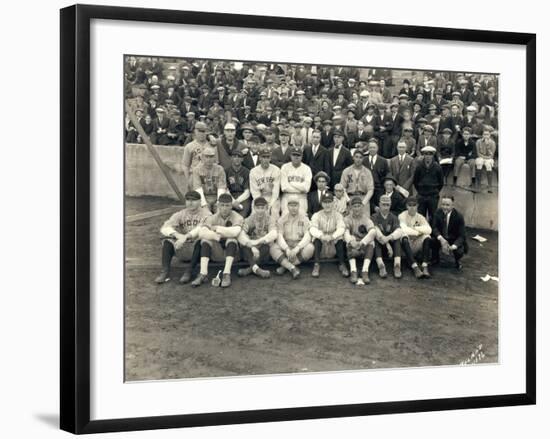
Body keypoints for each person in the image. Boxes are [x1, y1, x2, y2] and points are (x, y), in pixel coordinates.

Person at [154, 191, 211, 284]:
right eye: (188, 200)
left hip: (198, 250)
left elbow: (201, 228)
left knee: (203, 240)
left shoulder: (206, 213)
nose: (190, 202)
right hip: (183, 247)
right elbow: (164, 228)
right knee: (167, 241)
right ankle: (165, 271)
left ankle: (189, 271)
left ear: (200, 201)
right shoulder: (181, 214)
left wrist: (185, 237)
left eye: (194, 200)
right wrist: (178, 235)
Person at [192, 193, 244, 288]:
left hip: (234, 255)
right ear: (218, 205)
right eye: (222, 205)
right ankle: (203, 273)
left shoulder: (237, 217)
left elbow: (235, 232)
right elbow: (202, 232)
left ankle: (226, 273)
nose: (225, 208)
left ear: (231, 206)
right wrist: (217, 236)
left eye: (227, 205)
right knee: (205, 239)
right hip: (217, 253)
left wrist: (216, 228)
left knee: (231, 239)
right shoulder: (212, 217)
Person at [270, 195, 315, 279]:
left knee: (310, 247)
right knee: (273, 248)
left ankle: (286, 266)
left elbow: (307, 236)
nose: (293, 208)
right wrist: (286, 248)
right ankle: (292, 268)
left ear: (299, 206)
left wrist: (297, 248)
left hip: (299, 246)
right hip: (287, 245)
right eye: (291, 205)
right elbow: (279, 236)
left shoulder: (304, 219)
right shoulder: (282, 219)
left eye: (295, 205)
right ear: (287, 206)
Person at [309, 193, 348, 278]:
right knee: (316, 237)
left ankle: (342, 263)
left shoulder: (338, 215)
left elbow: (341, 228)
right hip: (322, 244)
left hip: (332, 243)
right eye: (325, 202)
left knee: (340, 237)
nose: (327, 204)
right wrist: (321, 236)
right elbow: (312, 229)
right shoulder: (316, 215)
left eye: (329, 202)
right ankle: (316, 264)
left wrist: (332, 236)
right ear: (322, 203)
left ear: (333, 203)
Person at [237, 197, 278, 279]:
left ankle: (250, 269)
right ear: (254, 208)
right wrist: (252, 246)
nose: (260, 210)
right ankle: (258, 270)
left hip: (262, 249)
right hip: (251, 251)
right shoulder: (250, 219)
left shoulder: (270, 219)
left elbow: (274, 233)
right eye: (258, 208)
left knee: (267, 246)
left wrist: (259, 241)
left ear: (266, 208)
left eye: (262, 208)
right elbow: (241, 234)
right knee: (243, 244)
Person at [344, 196, 378, 285]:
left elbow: (373, 231)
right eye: (354, 206)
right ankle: (353, 271)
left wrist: (362, 243)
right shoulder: (347, 218)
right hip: (353, 245)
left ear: (362, 207)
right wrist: (352, 241)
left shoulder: (366, 218)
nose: (357, 208)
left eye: (358, 206)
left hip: (363, 245)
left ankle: (365, 271)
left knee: (372, 240)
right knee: (348, 239)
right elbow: (346, 232)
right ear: (351, 208)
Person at [431, 195, 468, 271]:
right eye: (443, 204)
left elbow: (462, 235)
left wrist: (453, 246)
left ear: (452, 205)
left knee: (459, 250)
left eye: (447, 205)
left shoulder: (459, 216)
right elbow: (434, 228)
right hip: (442, 237)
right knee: (430, 240)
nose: (445, 207)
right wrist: (441, 239)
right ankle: (435, 258)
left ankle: (458, 261)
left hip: (453, 238)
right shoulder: (438, 212)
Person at [398, 196, 432, 279]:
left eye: (414, 205)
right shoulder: (402, 215)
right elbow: (404, 229)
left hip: (416, 243)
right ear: (406, 206)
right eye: (410, 205)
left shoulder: (420, 217)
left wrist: (415, 229)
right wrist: (419, 232)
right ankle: (415, 266)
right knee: (403, 235)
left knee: (427, 237)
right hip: (406, 246)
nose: (412, 207)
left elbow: (429, 230)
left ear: (417, 206)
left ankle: (424, 266)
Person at [372, 194, 403, 279]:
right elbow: (376, 231)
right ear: (379, 205)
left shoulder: (393, 217)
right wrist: (386, 243)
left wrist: (388, 239)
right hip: (380, 244)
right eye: (383, 205)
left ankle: (397, 265)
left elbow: (399, 231)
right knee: (375, 239)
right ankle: (381, 265)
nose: (385, 208)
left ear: (390, 205)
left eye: (387, 205)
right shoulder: (374, 216)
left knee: (396, 240)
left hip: (391, 247)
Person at [190, 146, 227, 212]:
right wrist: (204, 204)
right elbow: (198, 188)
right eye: (206, 157)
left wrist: (219, 203)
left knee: (221, 212)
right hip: (204, 196)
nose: (209, 159)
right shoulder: (197, 170)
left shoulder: (220, 169)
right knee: (204, 214)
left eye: (211, 157)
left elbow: (221, 187)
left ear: (214, 158)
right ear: (202, 158)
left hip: (216, 196)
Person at [413, 146, 444, 224]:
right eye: (426, 154)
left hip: (433, 195)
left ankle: (433, 232)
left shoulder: (437, 167)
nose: (428, 157)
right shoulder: (419, 167)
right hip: (422, 195)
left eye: (430, 155)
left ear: (433, 155)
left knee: (433, 215)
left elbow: (441, 182)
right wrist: (421, 190)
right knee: (420, 215)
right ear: (423, 155)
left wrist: (435, 191)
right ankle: (422, 232)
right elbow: (415, 181)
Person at [182, 121, 216, 191]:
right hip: (195, 176)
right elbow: (185, 165)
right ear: (195, 131)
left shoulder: (212, 145)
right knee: (194, 199)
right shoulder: (189, 146)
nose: (202, 133)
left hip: (209, 176)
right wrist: (188, 179)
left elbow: (216, 163)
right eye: (199, 131)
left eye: (204, 131)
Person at [249, 146, 281, 215]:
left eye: (267, 157)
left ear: (270, 158)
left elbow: (276, 192)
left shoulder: (276, 170)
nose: (266, 159)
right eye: (263, 157)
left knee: (274, 213)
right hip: (259, 197)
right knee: (255, 214)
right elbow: (255, 192)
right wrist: (262, 204)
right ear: (260, 158)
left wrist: (270, 205)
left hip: (273, 198)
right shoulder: (253, 171)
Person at [280, 147, 312, 215]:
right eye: (294, 155)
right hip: (287, 196)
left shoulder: (307, 169)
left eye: (298, 155)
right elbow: (284, 187)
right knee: (285, 218)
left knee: (302, 218)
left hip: (301, 197)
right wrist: (300, 187)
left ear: (302, 157)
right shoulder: (284, 167)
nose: (296, 157)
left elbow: (306, 188)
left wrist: (291, 183)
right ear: (290, 156)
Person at [363, 138, 389, 211]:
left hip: (379, 190)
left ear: (377, 148)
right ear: (368, 148)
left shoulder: (383, 161)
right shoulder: (364, 160)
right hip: (366, 190)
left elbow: (386, 175)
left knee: (378, 209)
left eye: (374, 147)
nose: (372, 149)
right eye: (370, 147)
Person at [225, 148, 251, 217]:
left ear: (242, 159)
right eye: (234, 156)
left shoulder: (246, 171)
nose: (237, 159)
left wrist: (237, 201)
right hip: (230, 196)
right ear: (231, 158)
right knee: (226, 213)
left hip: (243, 197)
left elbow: (247, 192)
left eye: (239, 157)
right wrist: (233, 202)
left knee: (242, 214)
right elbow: (225, 189)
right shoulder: (226, 171)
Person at [475, 128, 496, 193]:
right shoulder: (478, 141)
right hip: (481, 157)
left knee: (488, 164)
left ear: (490, 135)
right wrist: (483, 157)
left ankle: (490, 185)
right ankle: (478, 184)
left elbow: (491, 154)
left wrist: (487, 146)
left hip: (489, 158)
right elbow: (478, 153)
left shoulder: (492, 142)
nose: (486, 136)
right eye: (484, 134)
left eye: (487, 134)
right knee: (479, 162)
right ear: (482, 135)